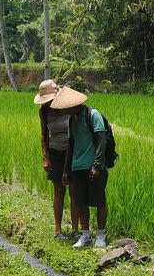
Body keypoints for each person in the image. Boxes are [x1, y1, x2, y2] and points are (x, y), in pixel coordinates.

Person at [52, 86, 109, 248]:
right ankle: (85, 235)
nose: (64, 111)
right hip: (77, 168)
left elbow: (101, 140)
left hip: (93, 167)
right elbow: (71, 145)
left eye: (66, 107)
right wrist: (66, 170)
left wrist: (96, 165)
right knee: (80, 202)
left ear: (74, 104)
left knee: (99, 201)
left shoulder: (93, 115)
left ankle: (101, 235)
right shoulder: (72, 120)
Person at [34, 79, 79, 241]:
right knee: (59, 190)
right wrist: (45, 157)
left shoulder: (69, 107)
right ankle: (58, 230)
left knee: (74, 190)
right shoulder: (44, 110)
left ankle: (75, 229)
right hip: (55, 153)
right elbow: (43, 135)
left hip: (72, 153)